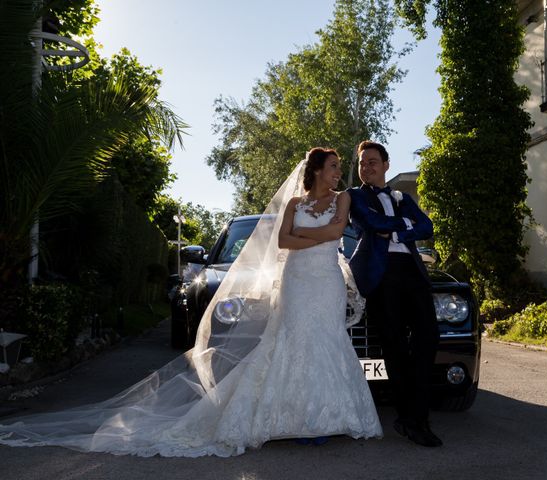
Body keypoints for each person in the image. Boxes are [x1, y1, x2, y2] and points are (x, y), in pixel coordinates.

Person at [0, 148, 381, 457]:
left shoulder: (342, 198)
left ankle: (331, 416)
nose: (338, 173)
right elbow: (283, 242)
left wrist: (305, 235)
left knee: (327, 341)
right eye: (332, 167)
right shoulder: (295, 203)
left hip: (325, 281)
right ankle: (292, 418)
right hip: (297, 282)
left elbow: (334, 231)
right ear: (315, 170)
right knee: (292, 343)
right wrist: (314, 236)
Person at [347, 140, 442, 447]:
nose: (367, 167)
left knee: (429, 339)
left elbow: (426, 226)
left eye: (373, 162)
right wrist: (405, 224)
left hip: (413, 272)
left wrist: (399, 229)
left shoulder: (401, 197)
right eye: (362, 163)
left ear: (386, 165)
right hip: (382, 275)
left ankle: (414, 415)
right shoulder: (354, 196)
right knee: (395, 349)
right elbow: (370, 222)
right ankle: (414, 421)